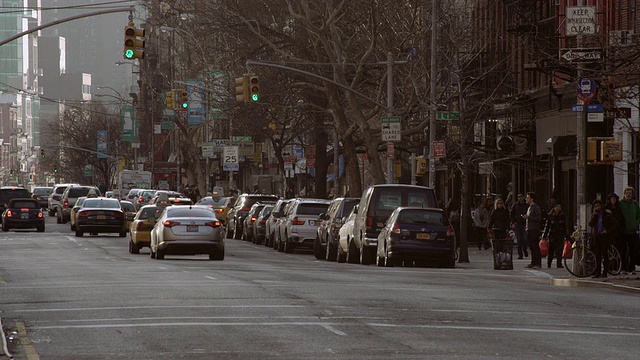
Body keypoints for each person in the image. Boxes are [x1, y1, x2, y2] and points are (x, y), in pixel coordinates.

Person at [589, 199, 619, 278]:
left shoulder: (607, 214)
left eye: (598, 206)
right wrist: (595, 215)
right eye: (595, 206)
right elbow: (591, 224)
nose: (597, 207)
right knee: (597, 255)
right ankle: (597, 272)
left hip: (604, 236)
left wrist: (607, 231)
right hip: (597, 237)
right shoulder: (595, 215)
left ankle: (605, 272)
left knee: (604, 254)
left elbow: (615, 224)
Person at [619, 187, 640, 275]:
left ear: (632, 195)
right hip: (623, 231)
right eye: (627, 193)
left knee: (633, 250)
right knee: (623, 250)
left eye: (630, 193)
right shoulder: (620, 204)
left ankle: (632, 268)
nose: (628, 194)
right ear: (624, 194)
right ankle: (623, 268)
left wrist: (636, 224)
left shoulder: (635, 204)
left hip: (632, 231)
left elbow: (638, 215)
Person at [543, 202, 569, 268]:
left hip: (560, 235)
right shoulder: (550, 215)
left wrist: (567, 236)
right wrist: (544, 235)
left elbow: (564, 227)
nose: (558, 208)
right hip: (552, 235)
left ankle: (559, 264)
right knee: (551, 250)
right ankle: (549, 264)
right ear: (554, 207)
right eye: (557, 207)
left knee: (559, 250)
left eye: (559, 207)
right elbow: (547, 226)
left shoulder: (562, 216)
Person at [523, 192, 542, 269]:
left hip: (534, 229)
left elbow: (538, 218)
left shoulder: (536, 207)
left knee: (535, 247)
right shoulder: (529, 208)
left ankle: (538, 263)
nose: (526, 199)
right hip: (529, 229)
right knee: (531, 247)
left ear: (532, 199)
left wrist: (529, 217)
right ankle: (533, 262)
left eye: (527, 197)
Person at [510, 193, 529, 259]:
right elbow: (512, 214)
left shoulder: (526, 205)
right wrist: (513, 222)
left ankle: (525, 249)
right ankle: (520, 254)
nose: (520, 198)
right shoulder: (515, 205)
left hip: (525, 223)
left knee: (525, 238)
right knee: (519, 239)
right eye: (518, 197)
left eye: (521, 196)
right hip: (518, 223)